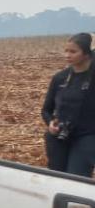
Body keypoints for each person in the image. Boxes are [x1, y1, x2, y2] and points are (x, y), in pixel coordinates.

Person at [41, 32, 95, 176]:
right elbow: (46, 110)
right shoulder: (60, 78)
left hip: (88, 137)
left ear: (87, 54)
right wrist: (51, 123)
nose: (67, 55)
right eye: (66, 51)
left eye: (73, 51)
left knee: (76, 178)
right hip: (59, 136)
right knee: (57, 177)